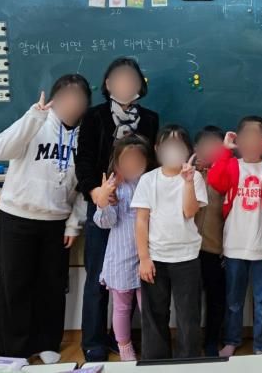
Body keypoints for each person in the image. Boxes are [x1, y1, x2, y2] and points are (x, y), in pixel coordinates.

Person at [0, 75, 91, 363]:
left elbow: (85, 185)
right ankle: (14, 350)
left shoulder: (85, 136)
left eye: (80, 99)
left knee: (52, 286)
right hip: (17, 217)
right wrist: (32, 117)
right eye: (67, 97)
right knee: (15, 286)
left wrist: (73, 223)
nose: (73, 104)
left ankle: (47, 342)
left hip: (57, 222)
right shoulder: (35, 123)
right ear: (55, 100)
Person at [75, 57, 159, 362]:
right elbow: (83, 161)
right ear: (108, 84)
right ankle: (93, 340)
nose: (125, 83)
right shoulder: (94, 116)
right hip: (104, 203)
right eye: (119, 78)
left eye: (131, 78)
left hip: (137, 208)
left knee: (136, 277)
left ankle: (120, 337)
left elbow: (153, 164)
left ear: (140, 85)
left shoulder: (150, 119)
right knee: (99, 275)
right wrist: (96, 192)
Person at [207, 116, 262, 357]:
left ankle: (261, 345)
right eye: (246, 137)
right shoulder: (233, 165)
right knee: (233, 301)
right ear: (238, 141)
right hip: (234, 246)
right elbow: (216, 181)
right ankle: (231, 340)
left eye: (256, 138)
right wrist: (225, 152)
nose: (251, 143)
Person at [132, 125, 208, 359]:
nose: (173, 151)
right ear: (157, 149)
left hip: (187, 257)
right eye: (167, 146)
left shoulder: (195, 177)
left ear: (188, 150)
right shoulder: (148, 179)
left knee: (188, 315)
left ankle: (189, 360)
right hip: (155, 257)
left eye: (178, 146)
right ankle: (156, 361)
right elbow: (141, 220)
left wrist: (188, 182)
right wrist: (144, 258)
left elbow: (189, 212)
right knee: (154, 314)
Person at [92, 134, 154, 361]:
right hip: (121, 256)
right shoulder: (114, 187)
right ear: (117, 163)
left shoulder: (151, 183)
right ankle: (124, 346)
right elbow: (105, 223)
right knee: (121, 306)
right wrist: (103, 202)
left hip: (147, 255)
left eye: (137, 160)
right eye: (126, 160)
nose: (132, 165)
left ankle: (152, 345)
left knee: (149, 305)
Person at [193, 125, 227, 357]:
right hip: (190, 251)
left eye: (216, 146)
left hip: (217, 250)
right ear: (196, 148)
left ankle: (212, 341)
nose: (210, 150)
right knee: (191, 300)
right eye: (205, 145)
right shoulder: (187, 173)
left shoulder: (227, 174)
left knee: (216, 300)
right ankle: (192, 342)